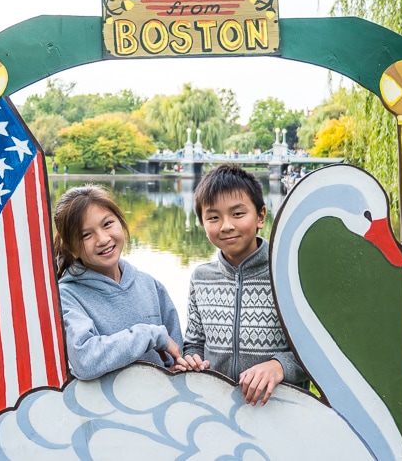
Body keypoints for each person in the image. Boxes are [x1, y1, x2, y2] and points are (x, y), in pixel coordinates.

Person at [182, 164, 309, 406]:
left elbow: (317, 351)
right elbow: (194, 344)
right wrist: (192, 361)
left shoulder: (289, 273)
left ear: (261, 216)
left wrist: (279, 365)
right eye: (213, 217)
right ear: (202, 222)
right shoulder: (201, 278)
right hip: (217, 412)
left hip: (282, 414)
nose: (226, 225)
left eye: (238, 214)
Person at [53, 184, 187, 380]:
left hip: (160, 407)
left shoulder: (150, 285)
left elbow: (174, 356)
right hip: (99, 410)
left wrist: (181, 367)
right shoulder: (66, 295)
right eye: (86, 235)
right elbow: (84, 361)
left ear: (121, 221)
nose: (103, 239)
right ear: (70, 247)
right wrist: (148, 335)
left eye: (107, 224)